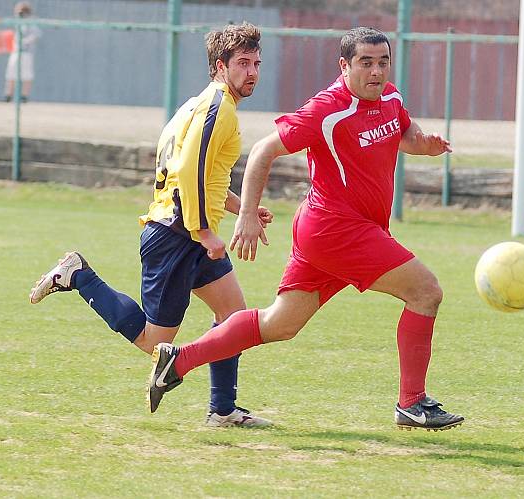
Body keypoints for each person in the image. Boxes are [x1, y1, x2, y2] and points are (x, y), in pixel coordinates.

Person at [147, 27, 464, 431]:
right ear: (344, 66)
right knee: (426, 292)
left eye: (383, 62)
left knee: (280, 324)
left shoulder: (390, 96)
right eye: (365, 63)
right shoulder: (327, 108)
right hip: (336, 229)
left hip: (338, 232)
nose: (376, 72)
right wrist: (245, 214)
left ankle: (180, 359)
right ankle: (412, 403)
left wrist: (425, 143)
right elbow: (265, 150)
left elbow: (404, 133)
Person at [30, 22, 274, 428]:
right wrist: (205, 234)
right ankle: (78, 276)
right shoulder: (217, 109)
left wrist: (241, 207)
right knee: (156, 341)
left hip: (187, 230)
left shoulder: (203, 104)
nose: (252, 72)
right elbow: (190, 170)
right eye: (243, 63)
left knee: (233, 315)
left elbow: (204, 177)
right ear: (220, 65)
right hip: (177, 237)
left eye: (257, 63)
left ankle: (223, 410)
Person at [0, 1, 42, 103]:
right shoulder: (18, 22)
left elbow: (37, 34)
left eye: (20, 10)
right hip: (15, 51)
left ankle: (24, 97)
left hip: (26, 52)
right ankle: (8, 96)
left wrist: (24, 42)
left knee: (27, 74)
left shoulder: (30, 22)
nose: (17, 12)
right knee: (11, 73)